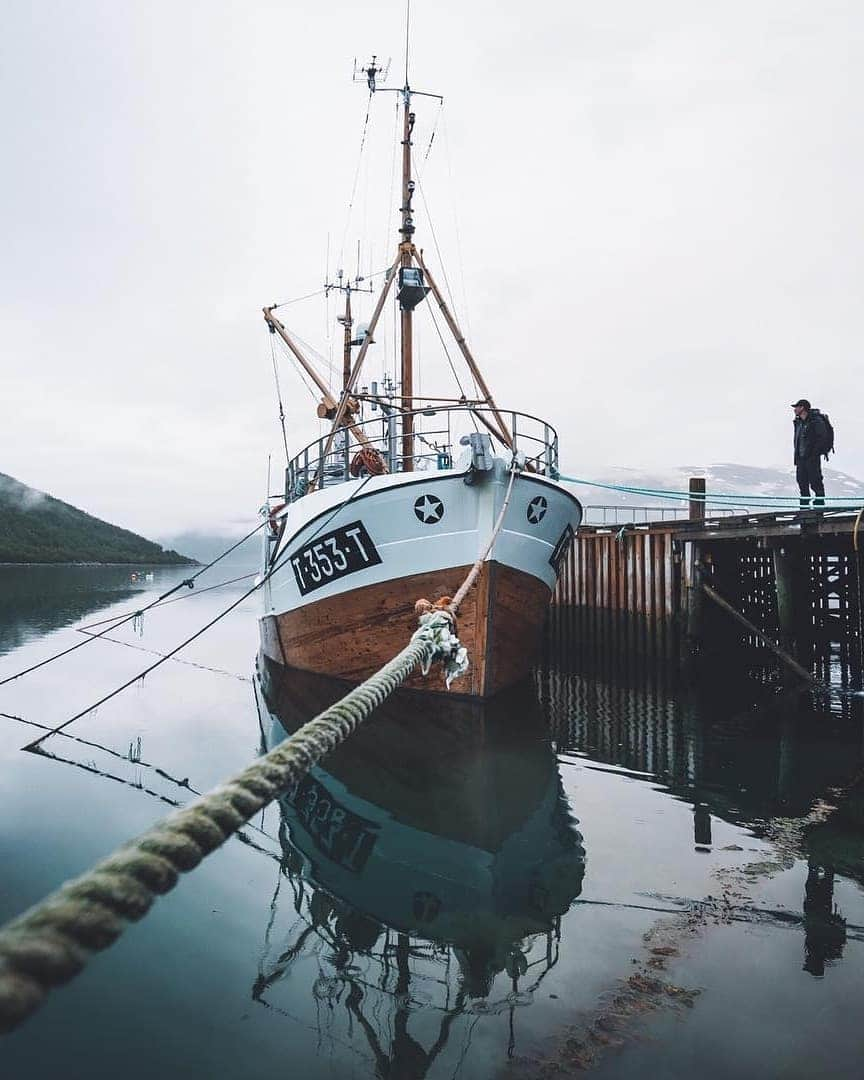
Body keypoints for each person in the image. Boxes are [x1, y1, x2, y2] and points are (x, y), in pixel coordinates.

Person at [792, 398, 830, 507]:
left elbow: (822, 438)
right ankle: (804, 507)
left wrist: (814, 454)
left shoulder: (816, 421)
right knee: (802, 482)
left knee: (815, 481)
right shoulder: (798, 422)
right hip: (800, 458)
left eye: (796, 407)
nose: (795, 410)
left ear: (802, 408)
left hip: (812, 458)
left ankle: (819, 505)